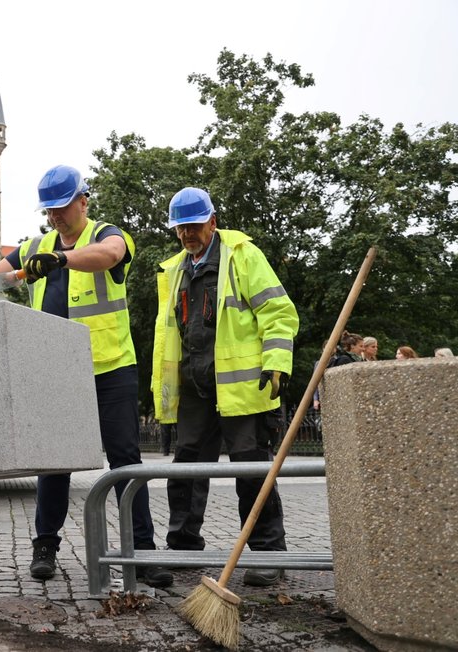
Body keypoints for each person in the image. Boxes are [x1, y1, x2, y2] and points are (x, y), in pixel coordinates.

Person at [0, 164, 171, 587]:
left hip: (111, 368)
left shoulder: (108, 233)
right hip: (56, 371)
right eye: (48, 210)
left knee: (126, 460)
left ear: (83, 201)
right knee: (54, 461)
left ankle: (142, 551)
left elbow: (109, 256)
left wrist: (61, 259)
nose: (53, 216)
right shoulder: (35, 245)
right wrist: (9, 272)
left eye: (60, 207)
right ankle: (45, 545)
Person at [151, 187, 299, 587]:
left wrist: (276, 362)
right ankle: (183, 546)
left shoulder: (242, 256)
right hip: (196, 389)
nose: (187, 235)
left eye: (194, 226)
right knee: (186, 470)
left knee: (252, 470)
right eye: (181, 228)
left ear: (212, 222)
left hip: (242, 388)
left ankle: (269, 553)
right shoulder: (177, 269)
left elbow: (278, 312)